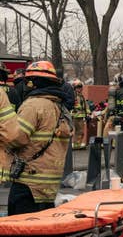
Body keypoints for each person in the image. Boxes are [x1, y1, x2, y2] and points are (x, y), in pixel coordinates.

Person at [3, 61, 73, 215]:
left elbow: (16, 137)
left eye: (28, 81)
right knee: (43, 233)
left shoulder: (33, 105)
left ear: (34, 83)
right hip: (49, 185)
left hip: (28, 182)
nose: (25, 85)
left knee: (20, 232)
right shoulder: (60, 107)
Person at [70, 79, 89, 149]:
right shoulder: (74, 96)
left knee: (80, 132)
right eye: (78, 87)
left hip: (80, 116)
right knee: (77, 132)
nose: (80, 88)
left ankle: (77, 145)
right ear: (75, 88)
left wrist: (88, 113)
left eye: (81, 87)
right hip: (76, 116)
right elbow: (76, 106)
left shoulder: (81, 96)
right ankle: (76, 145)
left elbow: (85, 106)